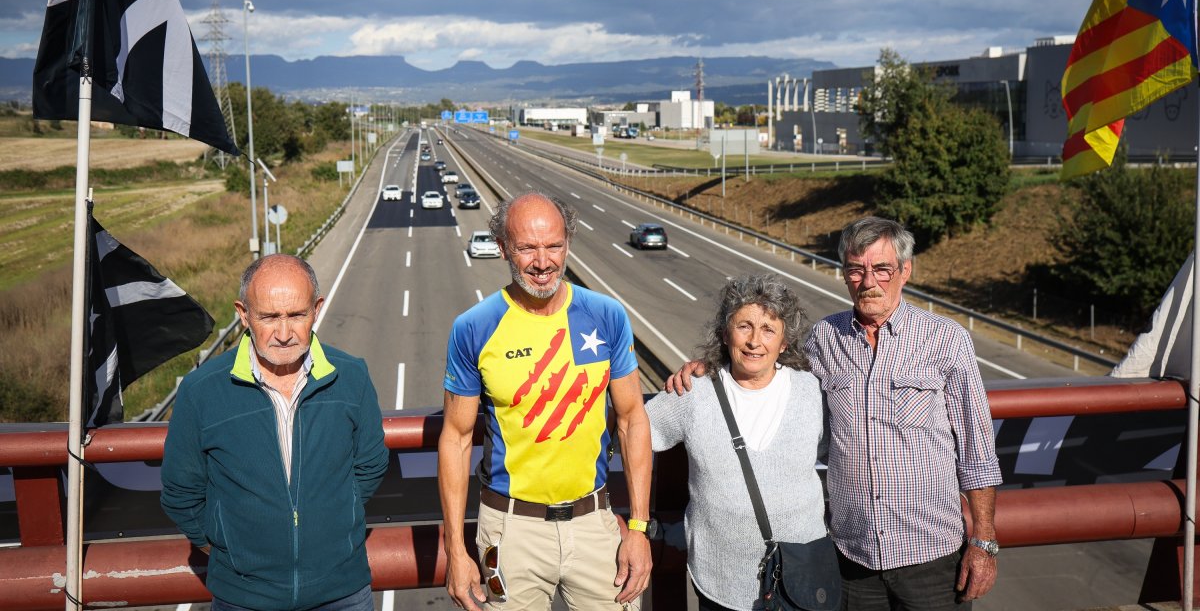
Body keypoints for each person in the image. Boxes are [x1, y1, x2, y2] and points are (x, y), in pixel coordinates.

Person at [668, 216, 1002, 610]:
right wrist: (711, 367)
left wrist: (983, 543)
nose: (869, 282)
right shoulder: (825, 339)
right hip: (850, 558)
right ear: (844, 274)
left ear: (905, 271)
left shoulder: (946, 340)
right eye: (856, 270)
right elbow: (766, 369)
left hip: (931, 557)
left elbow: (978, 453)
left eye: (882, 269)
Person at [438, 192, 653, 610]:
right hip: (510, 532)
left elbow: (632, 420)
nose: (543, 262)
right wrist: (455, 550)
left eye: (554, 246)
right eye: (527, 248)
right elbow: (456, 438)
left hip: (595, 525)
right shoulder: (473, 328)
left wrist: (639, 528)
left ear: (568, 244)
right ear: (502, 248)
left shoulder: (606, 315)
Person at [161, 254, 389, 611]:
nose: (284, 334)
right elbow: (181, 492)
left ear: (317, 309)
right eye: (268, 317)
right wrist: (231, 546)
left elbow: (370, 466)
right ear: (243, 314)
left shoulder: (352, 377)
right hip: (244, 599)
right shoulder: (201, 390)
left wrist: (333, 519)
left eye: (297, 315)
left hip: (343, 593)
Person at [645, 274, 827, 611]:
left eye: (769, 330)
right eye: (744, 326)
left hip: (801, 576)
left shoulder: (812, 391)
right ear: (726, 333)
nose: (755, 341)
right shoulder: (694, 392)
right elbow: (634, 430)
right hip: (720, 580)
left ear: (784, 343)